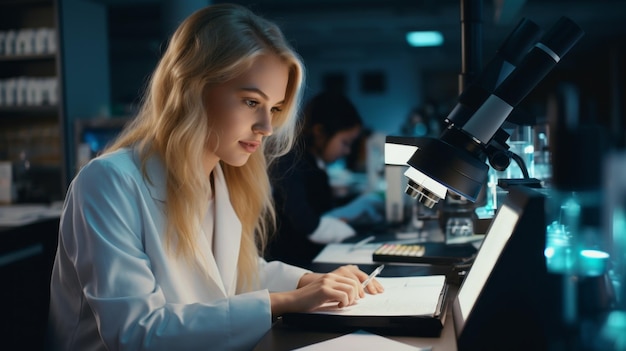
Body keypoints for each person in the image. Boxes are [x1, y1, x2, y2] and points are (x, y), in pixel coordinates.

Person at [46, 4, 383, 351]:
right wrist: (284, 302)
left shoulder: (221, 176)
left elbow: (235, 274)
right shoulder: (107, 182)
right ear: (192, 88)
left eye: (276, 109)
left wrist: (311, 281)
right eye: (252, 102)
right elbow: (137, 333)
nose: (267, 128)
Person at [267, 91, 385, 266]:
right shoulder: (290, 162)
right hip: (291, 263)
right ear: (319, 132)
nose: (347, 151)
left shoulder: (315, 165)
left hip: (309, 257)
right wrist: (352, 232)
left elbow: (321, 213)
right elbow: (307, 224)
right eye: (345, 142)